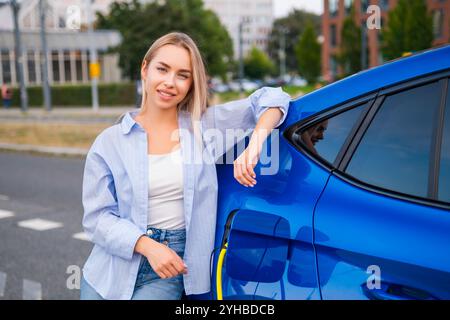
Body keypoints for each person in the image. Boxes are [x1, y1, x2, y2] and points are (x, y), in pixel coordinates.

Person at [79, 32, 291, 300]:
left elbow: (273, 97)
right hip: (109, 269)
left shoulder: (204, 128)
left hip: (169, 269)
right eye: (162, 69)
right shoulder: (109, 142)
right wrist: (146, 245)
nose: (170, 82)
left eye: (182, 75)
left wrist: (254, 146)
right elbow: (97, 218)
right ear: (145, 69)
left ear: (192, 83)